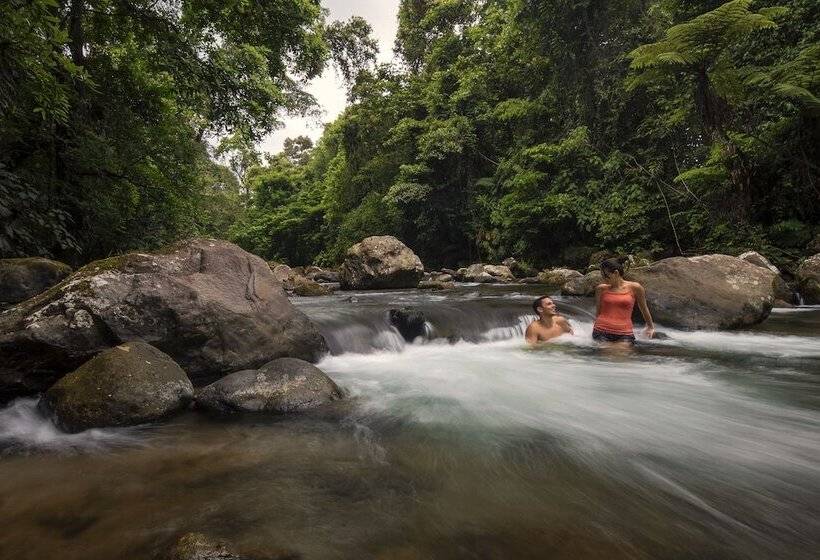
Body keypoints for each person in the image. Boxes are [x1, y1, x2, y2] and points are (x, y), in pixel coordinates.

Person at [593, 257, 655, 346]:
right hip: (601, 331)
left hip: (625, 333)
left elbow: (644, 309)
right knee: (607, 357)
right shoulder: (601, 289)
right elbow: (598, 311)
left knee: (622, 357)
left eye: (606, 276)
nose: (604, 279)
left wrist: (650, 327)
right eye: (603, 276)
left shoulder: (635, 288)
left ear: (616, 273)